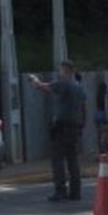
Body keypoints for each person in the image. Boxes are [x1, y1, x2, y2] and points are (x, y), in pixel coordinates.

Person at [29, 59, 87, 202]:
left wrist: (34, 79)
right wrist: (81, 125)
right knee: (73, 160)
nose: (59, 73)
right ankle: (75, 192)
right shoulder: (80, 87)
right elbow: (84, 109)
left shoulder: (63, 84)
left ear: (65, 70)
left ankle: (60, 191)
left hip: (62, 127)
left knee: (58, 160)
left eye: (60, 70)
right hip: (75, 126)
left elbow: (42, 87)